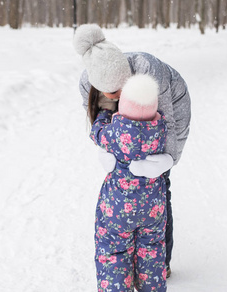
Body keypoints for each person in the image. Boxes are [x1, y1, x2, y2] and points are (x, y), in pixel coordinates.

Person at [73, 23, 191, 278]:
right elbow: (97, 123)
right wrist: (106, 151)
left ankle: (161, 262)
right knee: (125, 181)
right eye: (112, 92)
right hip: (127, 109)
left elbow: (169, 124)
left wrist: (166, 161)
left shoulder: (150, 72)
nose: (118, 95)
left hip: (170, 105)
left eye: (121, 87)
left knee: (157, 186)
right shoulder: (87, 83)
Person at [90, 74, 168, 292]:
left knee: (113, 254)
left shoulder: (115, 133)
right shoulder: (159, 132)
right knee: (152, 254)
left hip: (118, 210)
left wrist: (105, 113)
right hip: (153, 208)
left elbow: (95, 132)